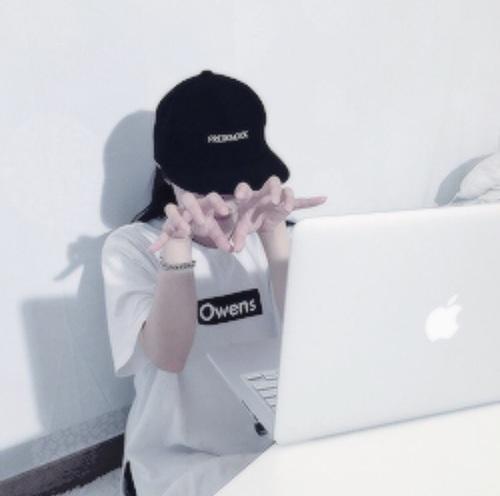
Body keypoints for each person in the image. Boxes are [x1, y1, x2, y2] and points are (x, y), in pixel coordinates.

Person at [101, 70, 327, 496]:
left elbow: (316, 342)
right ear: (167, 174)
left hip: (279, 447)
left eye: (238, 181)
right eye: (209, 184)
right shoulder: (132, 247)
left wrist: (274, 233)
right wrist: (179, 247)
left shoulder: (282, 237)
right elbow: (168, 356)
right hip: (180, 461)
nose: (224, 202)